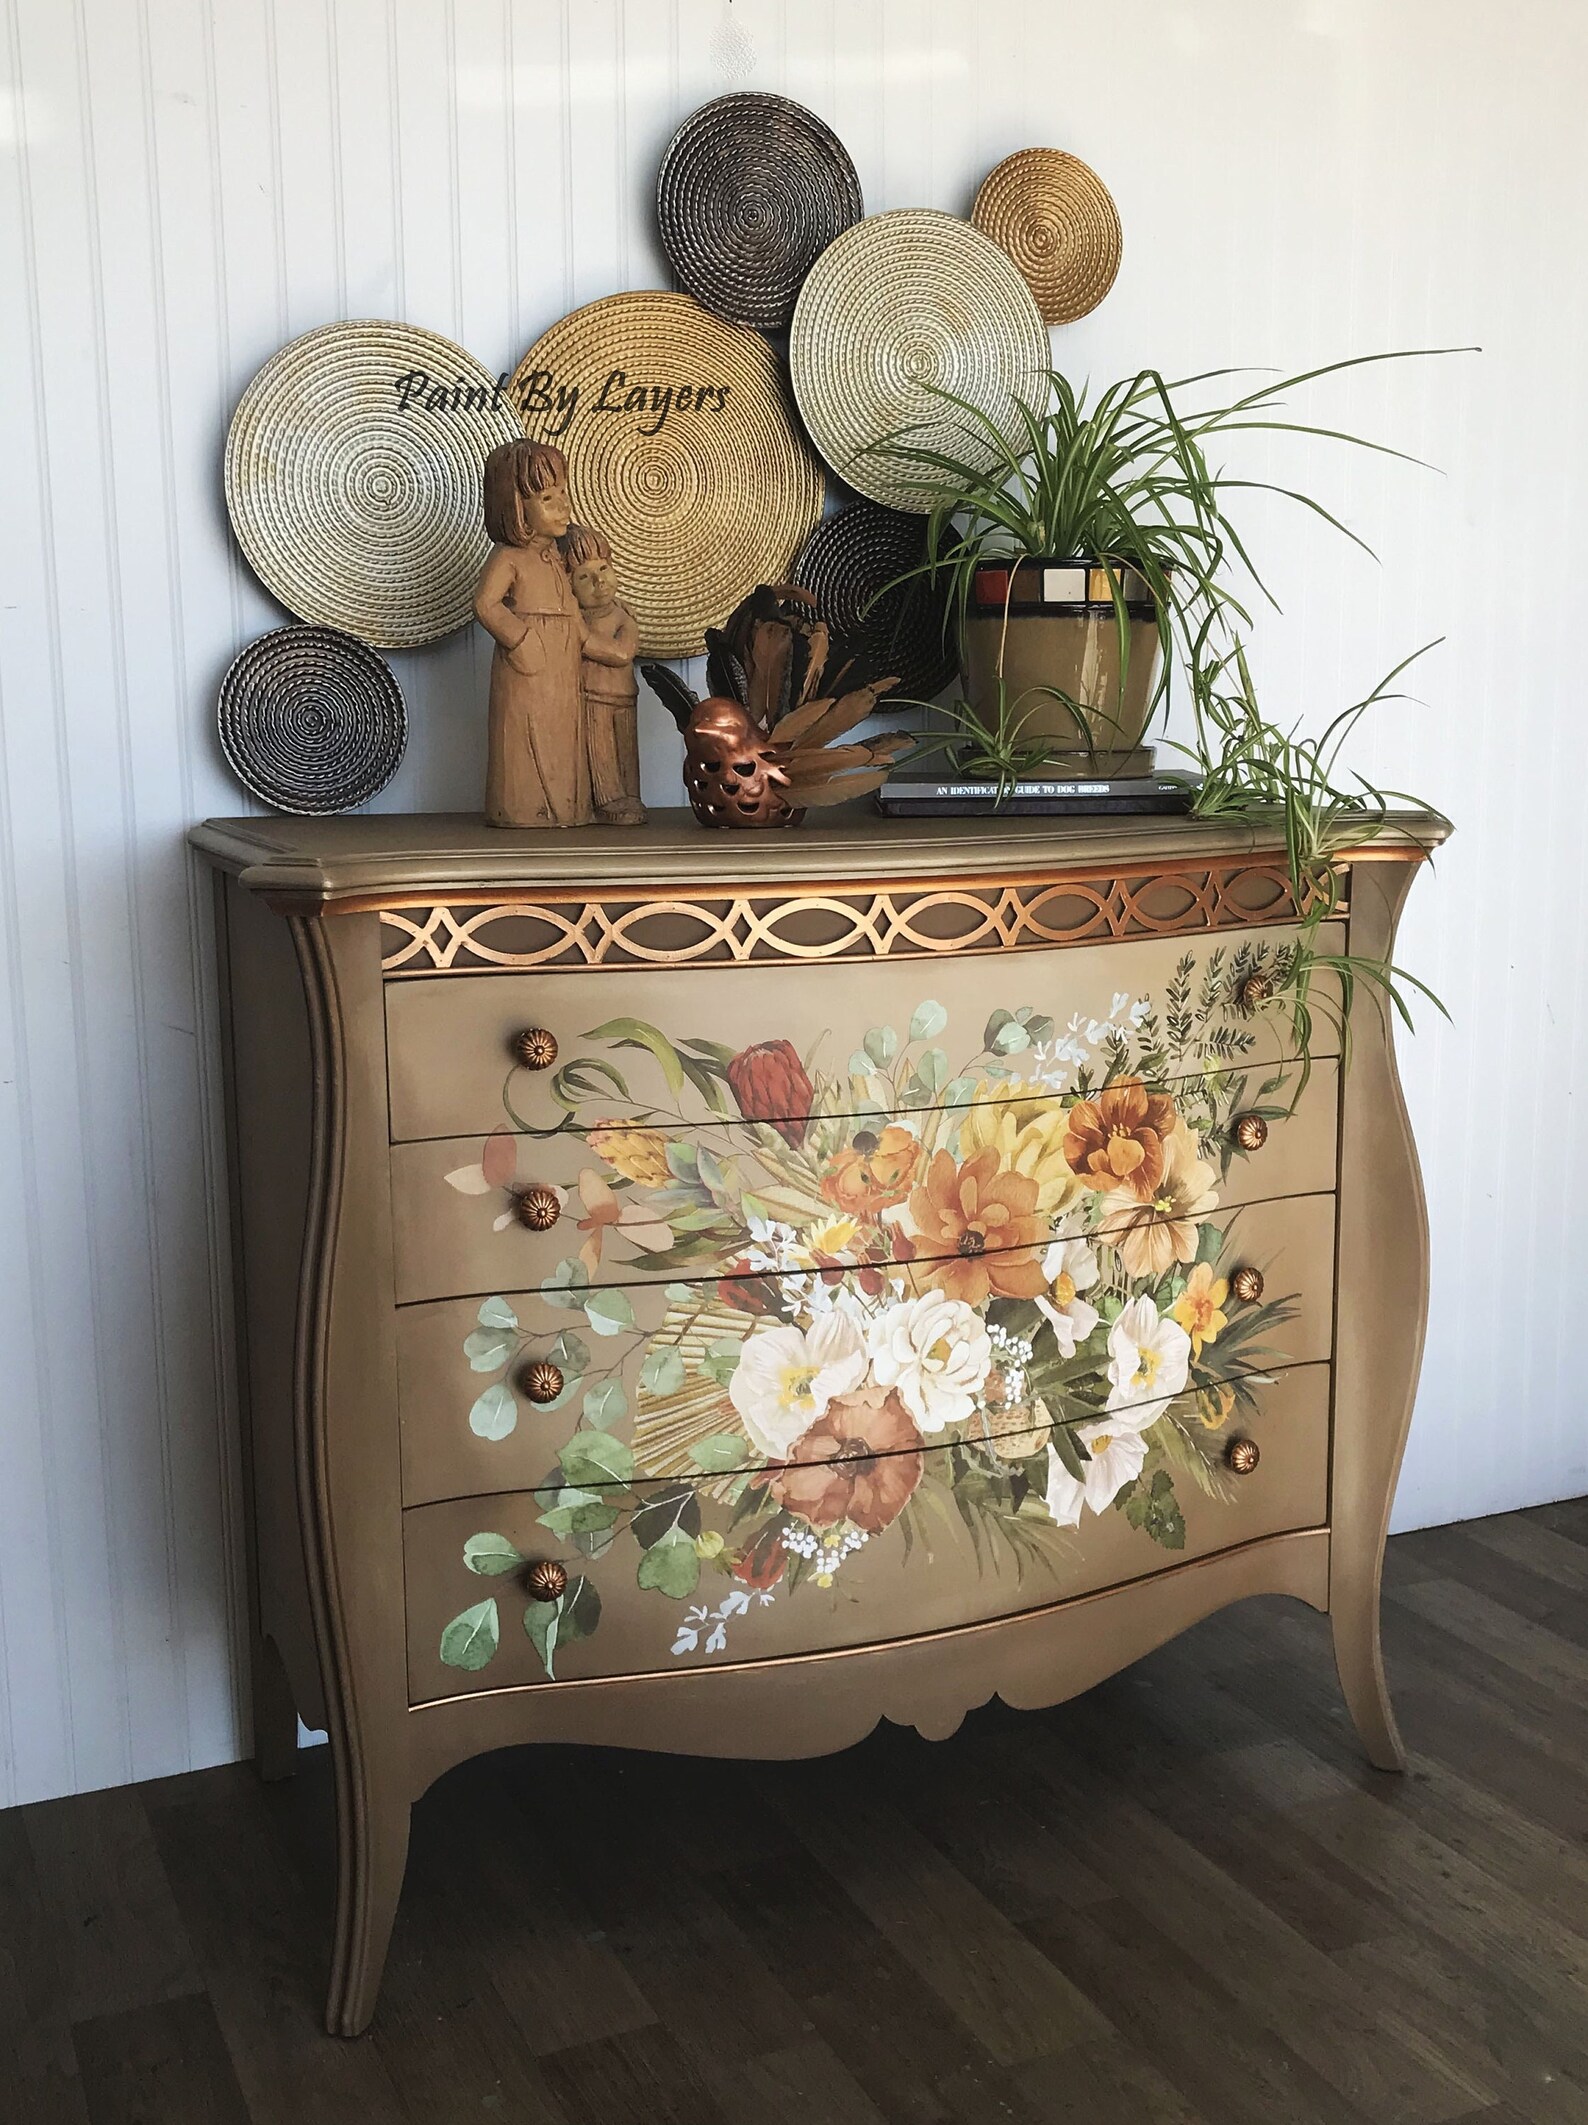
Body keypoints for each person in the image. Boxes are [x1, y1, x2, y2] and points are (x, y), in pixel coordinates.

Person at [474, 439, 592, 828]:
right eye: (547, 497)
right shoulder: (508, 558)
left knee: (562, 734)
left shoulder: (558, 556)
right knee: (526, 737)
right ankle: (524, 810)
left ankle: (566, 808)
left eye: (563, 493)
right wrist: (522, 641)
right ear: (516, 507)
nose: (564, 506)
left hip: (563, 661)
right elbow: (486, 605)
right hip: (529, 662)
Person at [562, 523, 645, 824]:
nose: (599, 581)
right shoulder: (572, 618)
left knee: (626, 749)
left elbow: (623, 652)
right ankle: (608, 800)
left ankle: (631, 795)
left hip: (623, 694)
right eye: (584, 576)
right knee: (600, 751)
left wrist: (584, 639)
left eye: (603, 568)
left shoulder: (622, 616)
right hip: (591, 695)